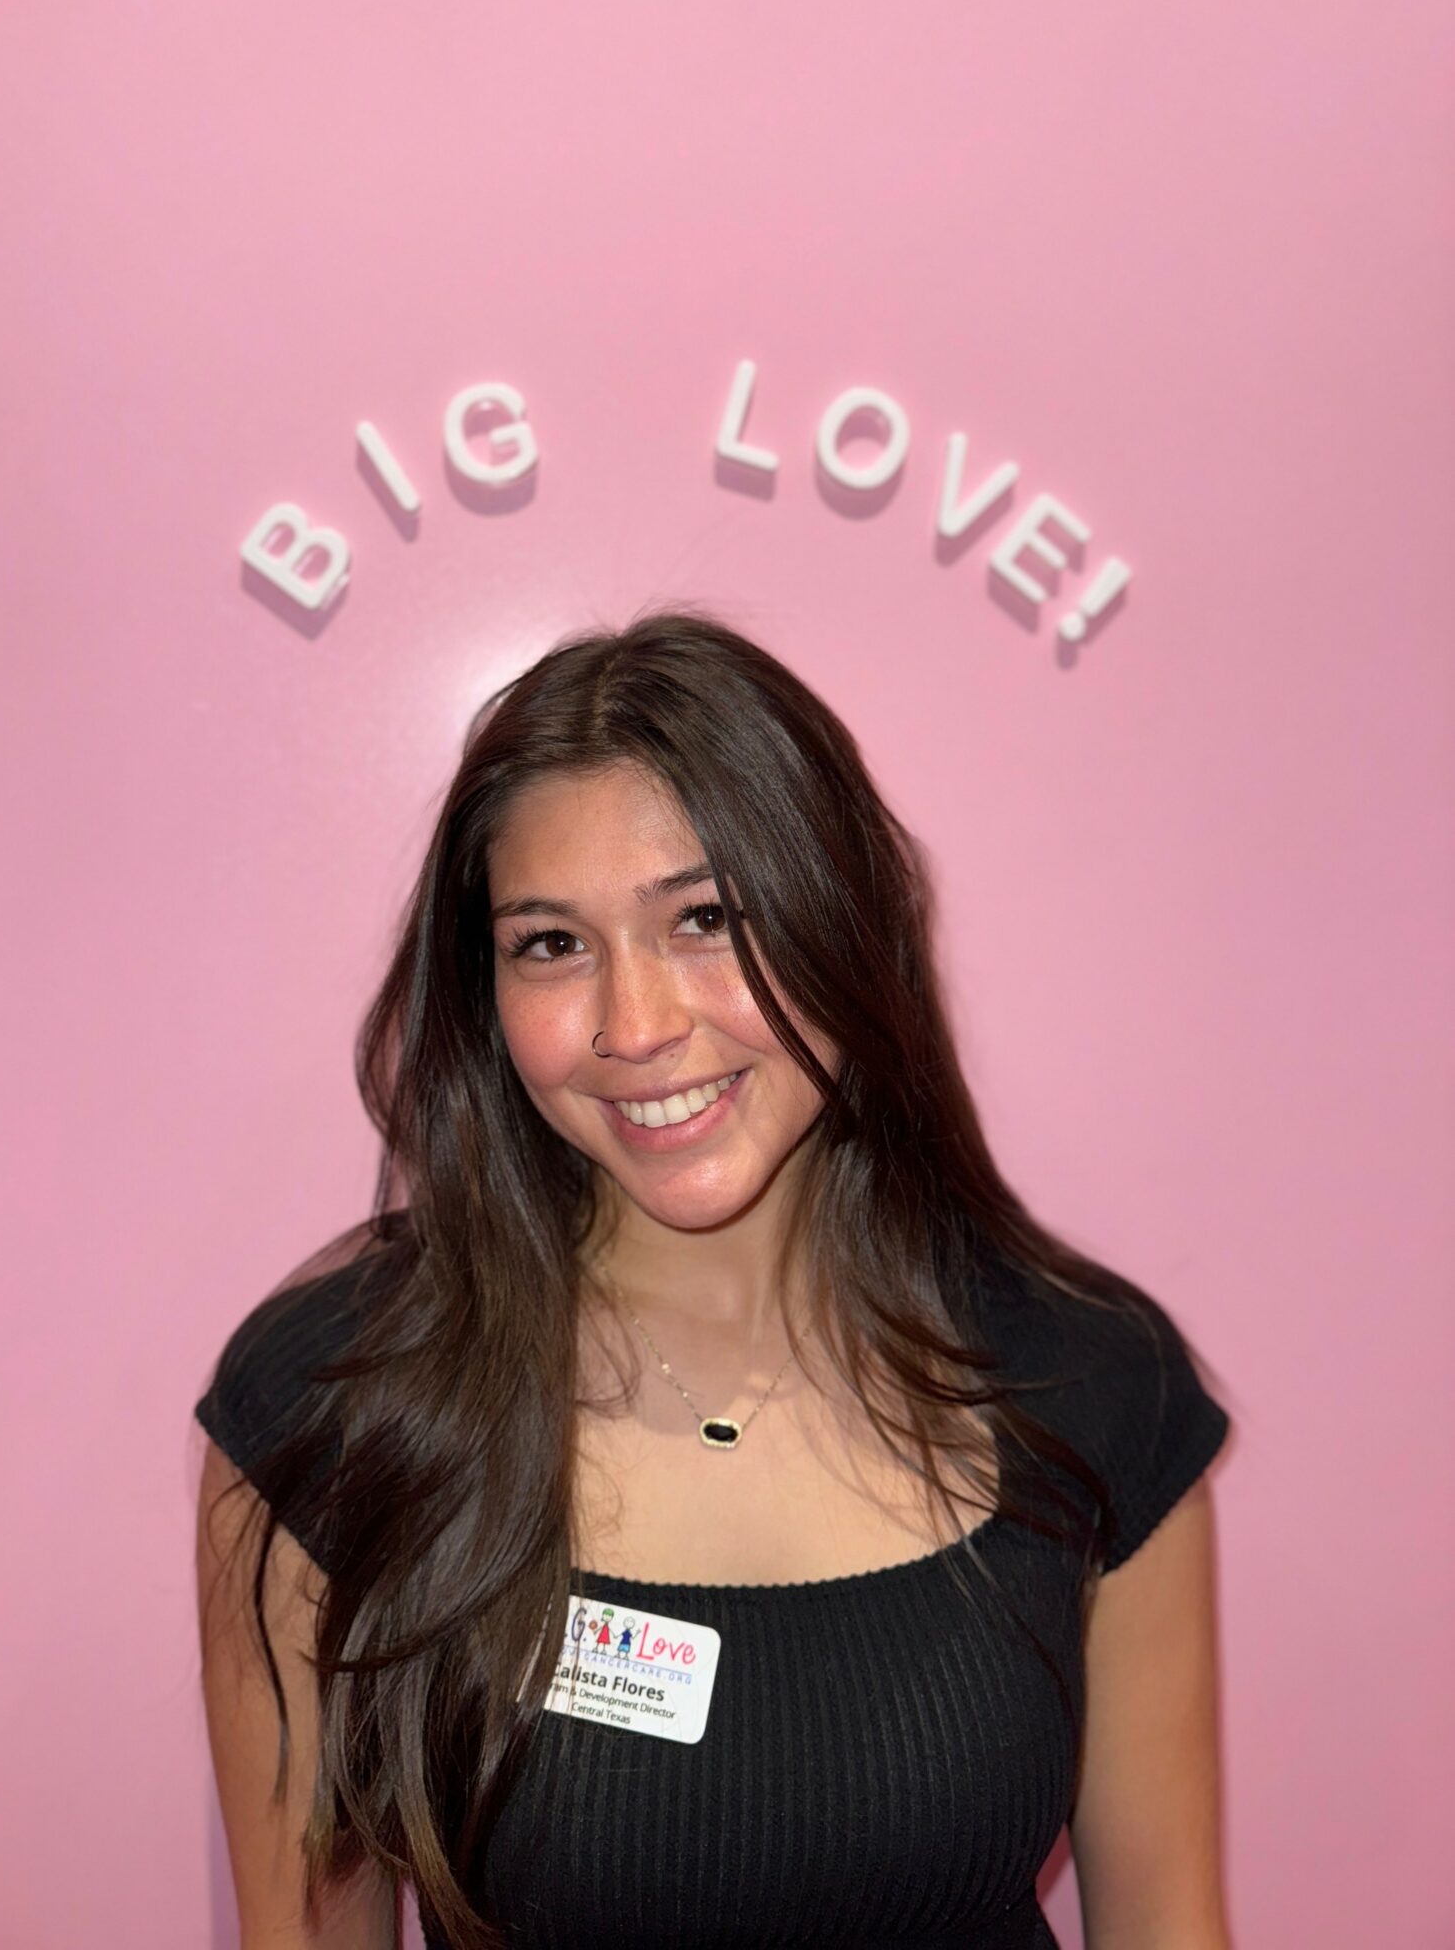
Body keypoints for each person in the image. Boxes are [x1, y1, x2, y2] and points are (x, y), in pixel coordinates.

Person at [194, 603, 1234, 1950]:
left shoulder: (1089, 1381)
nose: (636, 1027)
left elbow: (1169, 1925)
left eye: (705, 919)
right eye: (551, 944)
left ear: (843, 923)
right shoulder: (329, 1411)